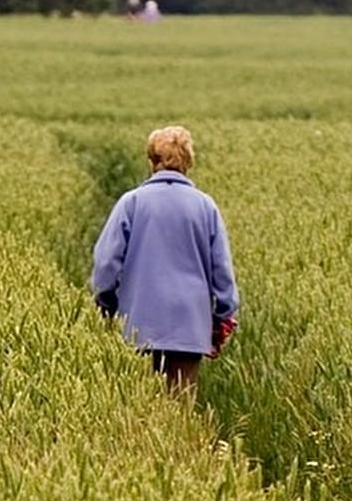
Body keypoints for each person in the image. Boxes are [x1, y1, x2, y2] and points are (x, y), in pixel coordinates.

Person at [89, 125, 239, 394]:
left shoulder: (131, 203)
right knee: (180, 402)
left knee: (140, 403)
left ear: (151, 161)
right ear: (188, 162)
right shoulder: (205, 206)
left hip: (137, 325)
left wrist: (107, 305)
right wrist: (221, 316)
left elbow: (105, 263)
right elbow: (222, 272)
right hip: (190, 327)